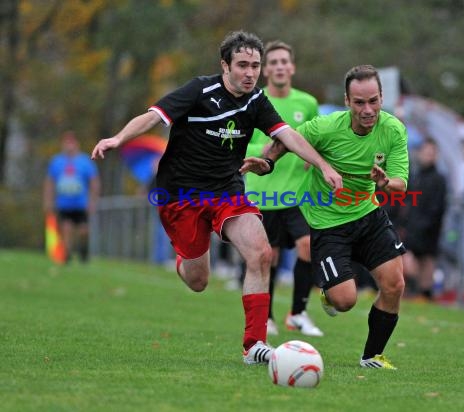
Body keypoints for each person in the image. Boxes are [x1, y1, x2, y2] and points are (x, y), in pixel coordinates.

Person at [90, 31, 342, 365]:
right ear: (225, 65)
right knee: (198, 281)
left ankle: (254, 346)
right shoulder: (199, 90)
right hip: (182, 196)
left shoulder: (256, 101)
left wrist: (322, 165)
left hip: (227, 190)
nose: (250, 73)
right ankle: (186, 260)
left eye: (255, 65)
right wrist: (118, 137)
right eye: (242, 65)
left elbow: (287, 135)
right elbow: (154, 116)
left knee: (261, 252)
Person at [269, 65, 409, 368]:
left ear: (382, 98)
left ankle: (372, 356)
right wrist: (267, 161)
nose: (367, 109)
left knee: (395, 284)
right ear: (347, 101)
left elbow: (401, 182)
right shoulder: (326, 127)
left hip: (368, 214)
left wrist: (385, 183)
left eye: (373, 100)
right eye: (359, 102)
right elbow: (288, 138)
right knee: (344, 301)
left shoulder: (393, 129)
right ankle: (330, 292)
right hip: (328, 222)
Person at [245, 40, 323, 337]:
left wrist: (316, 157)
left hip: (298, 193)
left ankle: (299, 313)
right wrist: (261, 148)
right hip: (263, 193)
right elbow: (238, 144)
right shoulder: (254, 101)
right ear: (265, 70)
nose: (279, 66)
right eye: (273, 62)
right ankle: (267, 317)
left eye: (283, 61)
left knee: (308, 246)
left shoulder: (307, 103)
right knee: (269, 256)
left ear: (292, 67)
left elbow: (318, 137)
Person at [43, 130, 100, 263]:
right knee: (67, 228)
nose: (69, 146)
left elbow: (94, 182)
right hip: (64, 204)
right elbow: (49, 183)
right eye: (66, 143)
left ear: (76, 144)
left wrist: (92, 201)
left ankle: (83, 251)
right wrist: (47, 201)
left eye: (71, 143)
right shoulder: (56, 162)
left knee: (83, 231)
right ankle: (67, 255)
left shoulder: (85, 161)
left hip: (81, 204)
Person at [401, 138, 447, 300]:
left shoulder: (439, 179)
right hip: (413, 226)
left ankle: (424, 293)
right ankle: (417, 290)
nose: (428, 156)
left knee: (427, 260)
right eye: (426, 152)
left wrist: (426, 224)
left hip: (429, 227)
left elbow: (437, 206)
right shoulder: (415, 176)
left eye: (431, 153)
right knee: (409, 257)